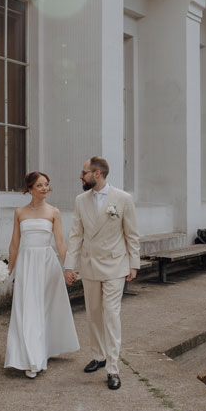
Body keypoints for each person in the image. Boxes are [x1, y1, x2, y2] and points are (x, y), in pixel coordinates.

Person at [63, 157, 140, 390]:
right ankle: (99, 356)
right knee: (93, 314)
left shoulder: (123, 199)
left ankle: (113, 368)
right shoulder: (81, 200)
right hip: (89, 265)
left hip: (115, 265)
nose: (81, 176)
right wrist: (69, 265)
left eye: (84, 172)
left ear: (97, 173)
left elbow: (132, 234)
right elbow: (76, 234)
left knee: (111, 314)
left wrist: (134, 264)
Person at [4, 171, 79, 379]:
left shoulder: (54, 212)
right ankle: (30, 357)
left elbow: (60, 243)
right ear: (30, 189)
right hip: (27, 264)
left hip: (47, 264)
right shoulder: (19, 212)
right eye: (39, 185)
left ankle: (39, 354)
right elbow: (14, 243)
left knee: (43, 309)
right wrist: (8, 269)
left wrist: (68, 267)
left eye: (46, 184)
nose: (45, 188)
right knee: (27, 309)